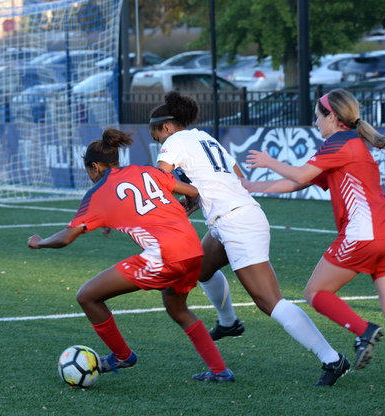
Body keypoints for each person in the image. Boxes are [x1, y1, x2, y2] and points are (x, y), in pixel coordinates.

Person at [149, 90, 349, 386]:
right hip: (231, 218)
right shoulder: (204, 138)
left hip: (236, 222)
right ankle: (228, 323)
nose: (157, 141)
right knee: (201, 270)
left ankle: (332, 359)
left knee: (269, 301)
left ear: (166, 127)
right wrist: (198, 197)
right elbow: (236, 177)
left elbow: (158, 179)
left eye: (156, 135)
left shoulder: (175, 141)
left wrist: (173, 203)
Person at [28, 128, 235, 382]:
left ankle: (122, 356)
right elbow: (192, 191)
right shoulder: (145, 171)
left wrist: (39, 242)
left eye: (88, 171)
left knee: (87, 296)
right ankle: (220, 371)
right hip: (192, 249)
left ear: (94, 167)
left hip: (164, 255)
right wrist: (187, 207)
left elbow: (66, 237)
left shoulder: (98, 192)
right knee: (178, 309)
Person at [244, 88, 385, 370]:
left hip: (363, 235)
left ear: (333, 117)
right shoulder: (352, 144)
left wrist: (268, 162)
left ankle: (364, 330)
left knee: (315, 292)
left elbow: (301, 174)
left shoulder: (339, 142)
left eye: (318, 116)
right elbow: (299, 183)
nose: (315, 122)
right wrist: (251, 187)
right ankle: (365, 331)